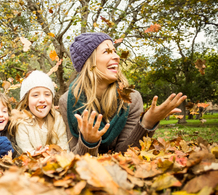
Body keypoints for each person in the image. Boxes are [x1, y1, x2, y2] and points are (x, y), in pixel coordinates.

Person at [59, 32, 187, 156]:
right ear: (89, 63)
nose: (116, 56)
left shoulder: (131, 98)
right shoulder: (68, 102)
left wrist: (147, 122)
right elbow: (74, 159)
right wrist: (88, 142)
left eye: (114, 51)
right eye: (106, 52)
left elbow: (125, 154)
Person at [10, 70, 69, 154]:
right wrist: (35, 154)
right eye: (35, 95)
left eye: (47, 94)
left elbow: (65, 150)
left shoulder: (58, 119)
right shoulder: (21, 124)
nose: (42, 99)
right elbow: (25, 153)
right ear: (26, 100)